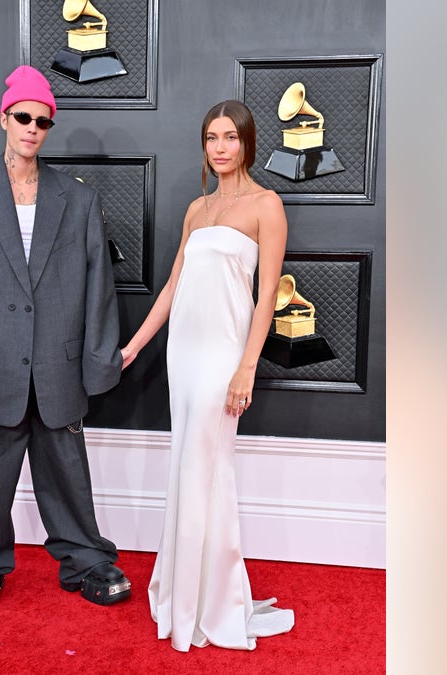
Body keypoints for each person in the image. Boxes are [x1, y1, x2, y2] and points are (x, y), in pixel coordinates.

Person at [0, 65, 130, 609]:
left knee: (68, 474)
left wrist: (97, 361)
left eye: (42, 122)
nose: (31, 129)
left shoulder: (78, 199)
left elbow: (99, 287)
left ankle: (87, 561)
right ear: (4, 118)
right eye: (23, 117)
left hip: (58, 363)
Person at [120, 100, 294, 650]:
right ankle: (189, 594)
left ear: (247, 143)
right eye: (212, 137)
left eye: (230, 137)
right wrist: (133, 347)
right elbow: (173, 287)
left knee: (207, 469)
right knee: (189, 470)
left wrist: (247, 366)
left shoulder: (267, 204)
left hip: (224, 355)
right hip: (184, 354)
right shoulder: (197, 210)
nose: (220, 147)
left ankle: (212, 603)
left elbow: (267, 295)